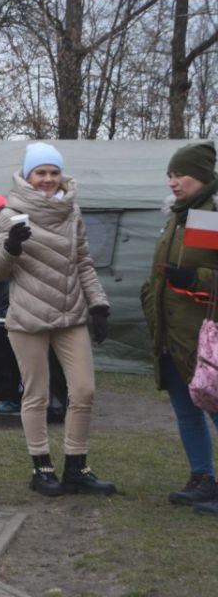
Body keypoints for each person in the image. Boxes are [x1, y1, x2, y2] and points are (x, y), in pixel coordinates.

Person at [0, 143, 115, 497]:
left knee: (84, 391)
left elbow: (84, 262)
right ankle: (41, 468)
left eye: (54, 172)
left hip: (70, 315)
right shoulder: (9, 214)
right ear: (28, 176)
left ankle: (76, 467)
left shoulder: (72, 212)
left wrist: (98, 305)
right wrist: (11, 247)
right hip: (28, 318)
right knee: (37, 395)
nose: (48, 179)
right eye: (40, 172)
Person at [141, 142, 218, 513]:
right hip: (171, 337)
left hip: (204, 340)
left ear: (201, 176)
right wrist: (149, 297)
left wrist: (196, 279)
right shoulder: (177, 216)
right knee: (187, 411)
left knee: (214, 408)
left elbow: (206, 271)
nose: (173, 182)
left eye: (180, 174)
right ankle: (202, 479)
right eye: (170, 175)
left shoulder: (211, 215)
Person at [0, 194, 69, 420]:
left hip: (6, 303)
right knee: (44, 353)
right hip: (35, 298)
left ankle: (19, 399)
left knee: (14, 355)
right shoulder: (31, 226)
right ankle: (56, 402)